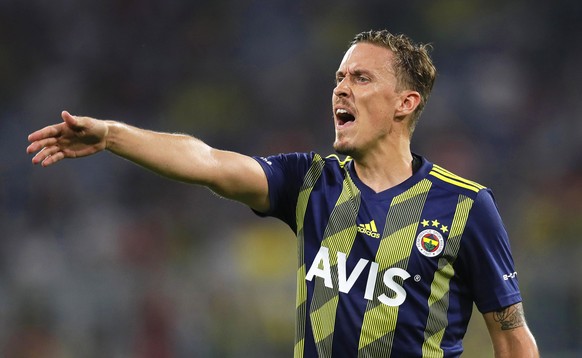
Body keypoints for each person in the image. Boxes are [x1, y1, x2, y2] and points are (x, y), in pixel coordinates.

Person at [27, 30, 539, 357]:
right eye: (339, 77)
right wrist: (114, 135)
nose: (341, 88)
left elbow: (511, 336)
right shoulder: (312, 181)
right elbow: (208, 161)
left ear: (406, 102)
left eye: (361, 78)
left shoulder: (467, 207)